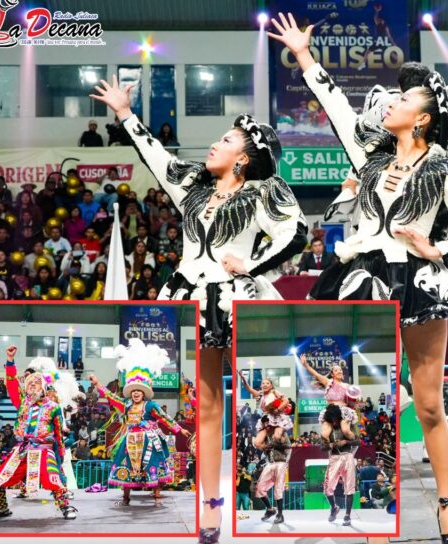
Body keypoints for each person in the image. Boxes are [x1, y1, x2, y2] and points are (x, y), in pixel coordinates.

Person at [270, 12, 448, 543]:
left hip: (417, 281)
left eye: (404, 98)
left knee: (430, 403)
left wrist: (439, 249)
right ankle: (377, 507)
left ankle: (446, 504)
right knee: (370, 393)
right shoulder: (369, 159)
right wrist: (304, 56)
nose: (391, 101)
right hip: (361, 276)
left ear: (423, 119)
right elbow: (336, 108)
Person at [90, 75, 307, 544]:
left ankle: (257, 487)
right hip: (191, 293)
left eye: (226, 140)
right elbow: (156, 156)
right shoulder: (192, 186)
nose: (214, 144)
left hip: (235, 297)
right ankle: (211, 506)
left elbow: (296, 233)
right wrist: (125, 113)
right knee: (207, 406)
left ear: (243, 158)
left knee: (251, 394)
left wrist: (252, 263)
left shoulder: (262, 193)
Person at [90, 339, 190, 506]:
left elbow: (165, 418)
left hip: (149, 440)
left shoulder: (151, 405)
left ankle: (157, 496)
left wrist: (180, 430)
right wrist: (97, 384)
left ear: (144, 393)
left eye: (139, 391)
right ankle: (126, 497)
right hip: (130, 440)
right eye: (134, 390)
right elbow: (111, 397)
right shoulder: (126, 404)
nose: (136, 393)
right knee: (125, 465)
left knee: (154, 464)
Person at [0, 347, 79, 520]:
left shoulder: (53, 407)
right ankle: (2, 508)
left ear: (43, 387)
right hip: (22, 449)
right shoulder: (22, 403)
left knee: (53, 479)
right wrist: (10, 361)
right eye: (29, 384)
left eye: (36, 383)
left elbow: (58, 433)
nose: (32, 386)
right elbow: (12, 383)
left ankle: (65, 507)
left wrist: (59, 454)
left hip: (44, 449)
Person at [321, 403, 360, 526]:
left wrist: (345, 442)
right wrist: (330, 445)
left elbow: (358, 441)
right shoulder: (327, 428)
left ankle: (347, 516)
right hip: (334, 458)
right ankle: (334, 507)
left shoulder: (347, 425)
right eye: (331, 420)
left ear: (338, 416)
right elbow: (322, 447)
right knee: (327, 488)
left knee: (349, 487)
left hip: (348, 456)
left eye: (335, 419)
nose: (334, 422)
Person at [236, 372, 293, 449]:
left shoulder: (274, 392)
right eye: (263, 383)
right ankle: (270, 450)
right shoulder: (260, 394)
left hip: (277, 419)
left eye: (267, 383)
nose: (265, 385)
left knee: (277, 437)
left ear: (271, 385)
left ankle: (285, 444)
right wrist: (243, 378)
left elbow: (286, 401)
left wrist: (278, 409)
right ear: (261, 386)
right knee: (257, 443)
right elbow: (248, 388)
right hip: (266, 421)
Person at [252, 430, 292, 526]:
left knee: (278, 489)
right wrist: (264, 448)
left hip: (281, 462)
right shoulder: (265, 435)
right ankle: (270, 509)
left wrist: (274, 445)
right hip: (270, 463)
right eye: (265, 423)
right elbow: (262, 447)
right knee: (259, 488)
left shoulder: (281, 432)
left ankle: (280, 515)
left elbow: (288, 446)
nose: (267, 424)